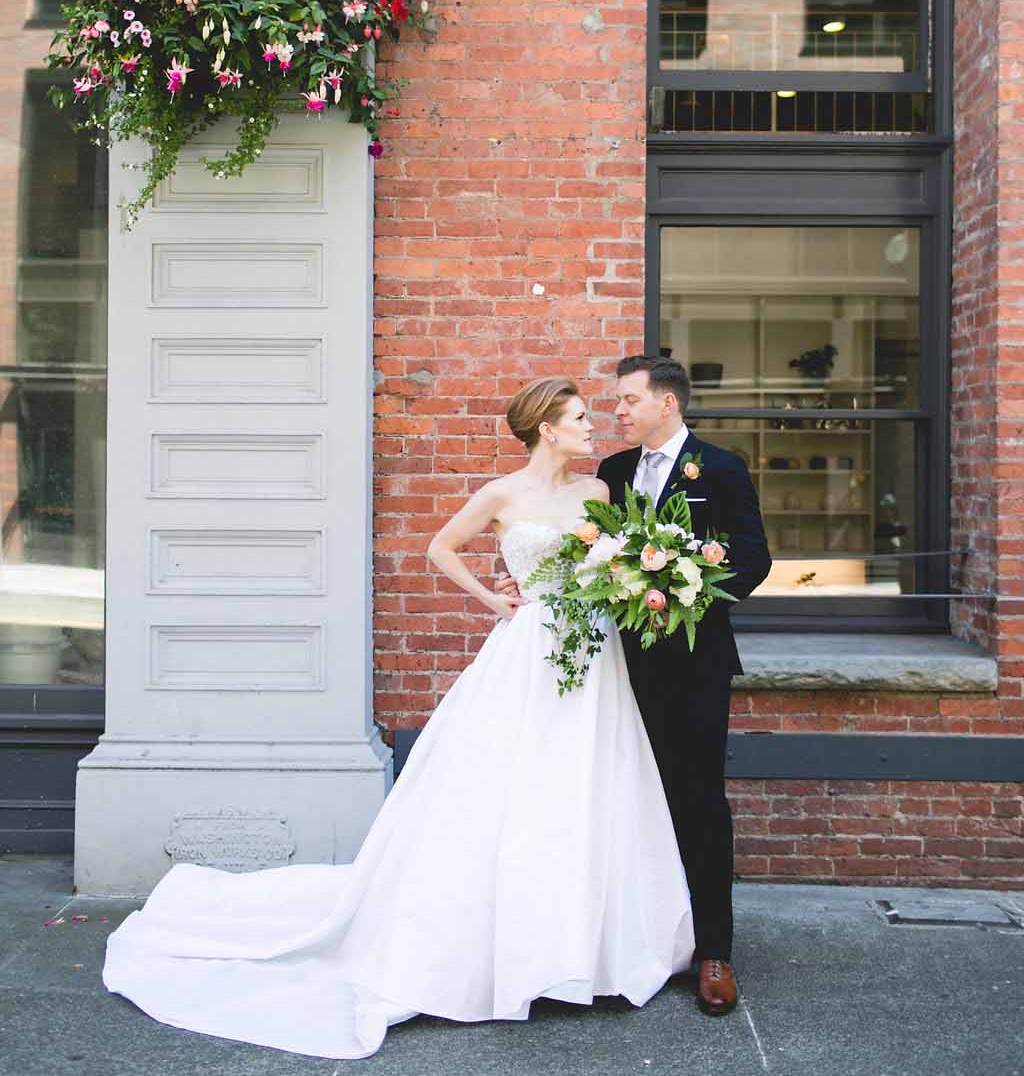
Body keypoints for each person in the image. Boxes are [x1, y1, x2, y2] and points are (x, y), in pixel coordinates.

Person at [101, 377, 696, 1061]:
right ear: (547, 429)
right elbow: (441, 548)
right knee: (510, 790)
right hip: (528, 646)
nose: (595, 426)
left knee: (586, 784)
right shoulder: (502, 495)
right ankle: (502, 946)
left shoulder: (598, 495)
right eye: (581, 418)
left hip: (592, 655)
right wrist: (494, 600)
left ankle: (587, 950)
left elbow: (614, 561)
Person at [599, 355, 772, 1016]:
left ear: (666, 403)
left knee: (699, 800)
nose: (618, 411)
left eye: (628, 400)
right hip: (623, 667)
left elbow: (754, 557)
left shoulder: (720, 467)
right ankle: (638, 942)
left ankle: (714, 953)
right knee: (628, 798)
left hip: (696, 667)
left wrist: (689, 594)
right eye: (618, 401)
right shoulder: (612, 473)